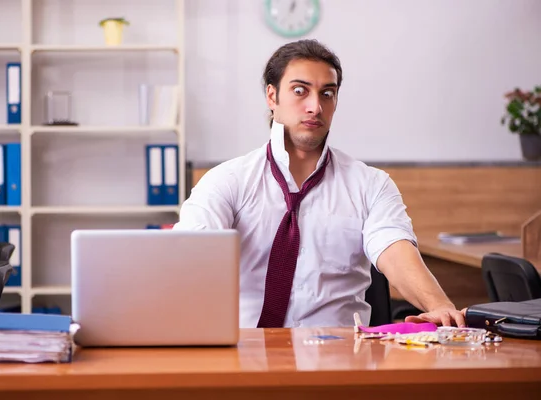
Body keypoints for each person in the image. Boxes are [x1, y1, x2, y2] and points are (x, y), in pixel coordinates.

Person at [173, 39, 465, 329]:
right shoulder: (227, 180)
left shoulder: (370, 184)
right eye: (300, 91)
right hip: (245, 356)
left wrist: (438, 305)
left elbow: (394, 249)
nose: (315, 106)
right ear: (272, 97)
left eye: (327, 93)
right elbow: (190, 254)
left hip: (339, 358)